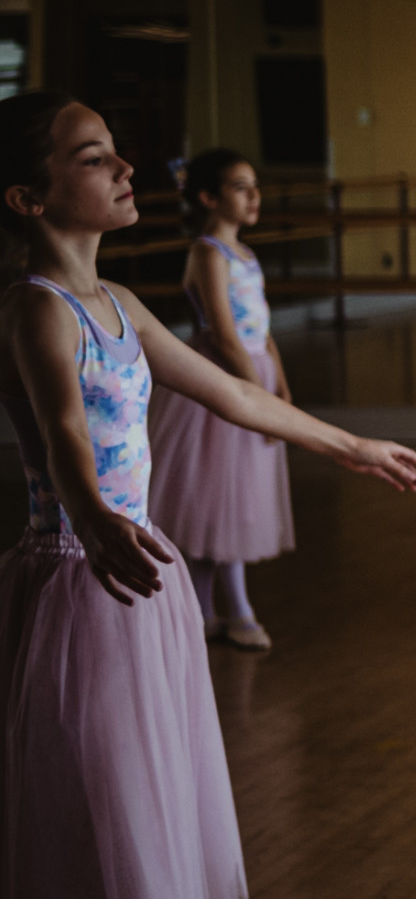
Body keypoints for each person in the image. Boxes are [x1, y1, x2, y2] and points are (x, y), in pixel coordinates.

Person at [0, 91, 416, 899]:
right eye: (93, 158)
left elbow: (233, 391)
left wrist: (352, 446)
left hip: (133, 572)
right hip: (81, 577)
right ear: (27, 197)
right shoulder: (34, 308)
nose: (126, 168)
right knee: (100, 784)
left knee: (149, 778)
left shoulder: (119, 303)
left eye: (116, 151)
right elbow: (63, 435)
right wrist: (92, 519)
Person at [145, 148, 295, 652]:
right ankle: (234, 610)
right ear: (209, 197)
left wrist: (282, 389)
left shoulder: (246, 255)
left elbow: (264, 330)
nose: (254, 196)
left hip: (257, 373)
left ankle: (208, 612)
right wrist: (253, 393)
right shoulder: (208, 252)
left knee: (234, 498)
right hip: (224, 381)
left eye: (255, 185)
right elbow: (226, 334)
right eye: (239, 186)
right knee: (217, 502)